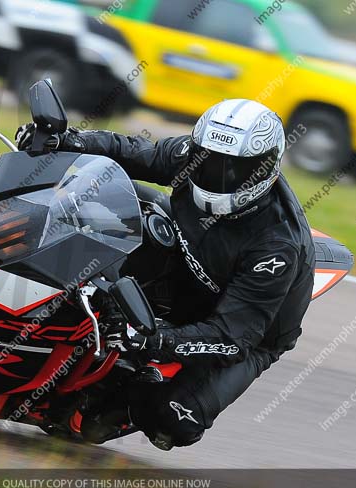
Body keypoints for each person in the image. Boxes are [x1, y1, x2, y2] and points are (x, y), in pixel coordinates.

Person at [16, 99, 316, 450]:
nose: (217, 175)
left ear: (265, 170)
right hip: (189, 257)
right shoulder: (194, 156)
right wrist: (70, 141)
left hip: (247, 331)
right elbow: (134, 152)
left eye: (233, 169)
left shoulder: (276, 248)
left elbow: (232, 337)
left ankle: (125, 393)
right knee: (107, 204)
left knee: (174, 418)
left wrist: (156, 342)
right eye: (211, 161)